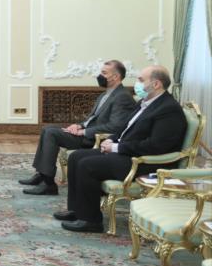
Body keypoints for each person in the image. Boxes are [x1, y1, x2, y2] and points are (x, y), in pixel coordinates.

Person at [56, 65, 186, 233]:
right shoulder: (145, 102)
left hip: (146, 163)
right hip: (128, 153)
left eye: (141, 80)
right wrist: (110, 139)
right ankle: (77, 210)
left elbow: (156, 146)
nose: (137, 83)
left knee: (87, 165)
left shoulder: (169, 109)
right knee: (76, 157)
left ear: (156, 84)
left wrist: (117, 147)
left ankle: (91, 220)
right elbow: (124, 128)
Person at [19, 60, 136, 196]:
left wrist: (84, 132)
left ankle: (49, 184)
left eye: (104, 73)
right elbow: (93, 119)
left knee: (51, 133)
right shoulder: (105, 94)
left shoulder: (122, 96)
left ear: (116, 77)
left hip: (95, 139)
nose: (100, 76)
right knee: (47, 128)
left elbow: (115, 126)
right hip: (87, 133)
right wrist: (79, 125)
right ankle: (41, 174)